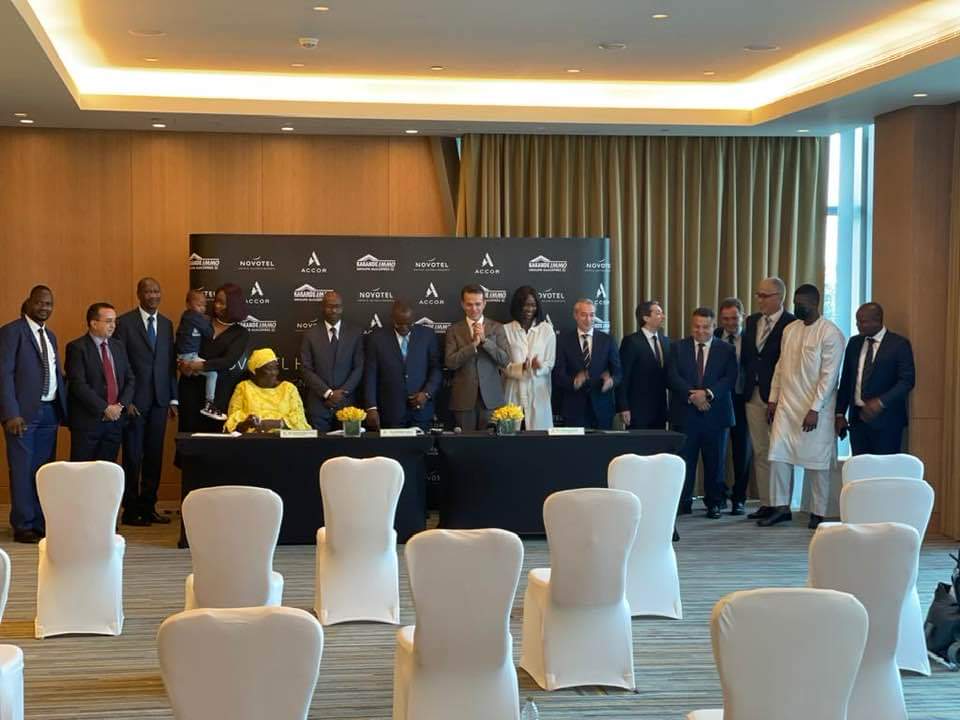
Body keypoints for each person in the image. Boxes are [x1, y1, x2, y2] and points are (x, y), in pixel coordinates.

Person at [765, 284, 845, 529]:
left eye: (802, 304)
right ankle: (780, 507)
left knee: (817, 463)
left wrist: (815, 409)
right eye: (795, 302)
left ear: (815, 303)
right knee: (778, 456)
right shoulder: (790, 329)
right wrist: (773, 398)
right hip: (787, 406)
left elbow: (829, 377)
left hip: (815, 410)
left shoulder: (830, 333)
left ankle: (818, 513)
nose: (797, 307)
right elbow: (780, 366)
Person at [0, 286, 68, 543]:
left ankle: (40, 522)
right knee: (22, 469)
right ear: (28, 303)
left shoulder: (50, 336)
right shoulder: (11, 332)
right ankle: (23, 525)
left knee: (43, 471)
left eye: (49, 304)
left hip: (50, 412)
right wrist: (10, 413)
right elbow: (4, 375)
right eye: (40, 302)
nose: (44, 308)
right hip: (22, 415)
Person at [115, 277, 177, 526]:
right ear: (139, 294)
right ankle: (130, 510)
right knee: (132, 456)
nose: (153, 295)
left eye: (156, 291)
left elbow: (169, 364)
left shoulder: (167, 324)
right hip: (134, 403)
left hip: (160, 401)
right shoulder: (125, 322)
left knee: (154, 455)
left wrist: (173, 398)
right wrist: (125, 400)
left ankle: (149, 506)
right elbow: (120, 364)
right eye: (148, 291)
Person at [667, 307, 738, 519]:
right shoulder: (677, 347)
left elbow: (729, 379)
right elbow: (671, 376)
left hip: (715, 415)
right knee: (684, 461)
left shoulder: (726, 349)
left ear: (714, 326)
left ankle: (714, 503)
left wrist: (707, 394)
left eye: (705, 327)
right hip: (685, 414)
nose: (700, 331)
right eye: (696, 326)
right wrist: (693, 395)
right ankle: (683, 502)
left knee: (715, 463)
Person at [739, 277, 796, 522]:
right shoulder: (752, 321)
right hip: (753, 392)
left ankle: (782, 505)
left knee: (780, 451)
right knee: (760, 450)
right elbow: (749, 357)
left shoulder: (792, 323)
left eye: (765, 296)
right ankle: (766, 502)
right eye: (758, 295)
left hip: (780, 396)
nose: (759, 300)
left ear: (779, 297)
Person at [835, 302, 916, 455]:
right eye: (857, 321)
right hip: (857, 421)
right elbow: (846, 381)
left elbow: (907, 381)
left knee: (885, 467)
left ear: (877, 320)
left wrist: (880, 402)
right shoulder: (854, 343)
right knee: (861, 466)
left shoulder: (899, 344)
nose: (858, 326)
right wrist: (839, 414)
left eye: (863, 322)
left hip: (887, 422)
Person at [65, 303, 135, 463]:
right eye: (108, 321)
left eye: (114, 321)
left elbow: (130, 379)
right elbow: (78, 385)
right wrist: (104, 408)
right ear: (94, 323)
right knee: (83, 472)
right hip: (88, 423)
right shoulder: (77, 348)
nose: (113, 326)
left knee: (107, 471)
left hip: (115, 422)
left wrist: (120, 406)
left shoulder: (118, 346)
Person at [177, 283, 250, 433]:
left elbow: (228, 361)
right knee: (187, 437)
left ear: (234, 305)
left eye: (222, 303)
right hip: (190, 389)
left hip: (218, 395)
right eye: (216, 301)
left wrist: (199, 366)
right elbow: (182, 341)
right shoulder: (200, 320)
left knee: (213, 439)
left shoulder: (240, 333)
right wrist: (181, 363)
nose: (216, 305)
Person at [364, 300, 442, 432]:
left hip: (421, 410)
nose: (404, 328)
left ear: (414, 319)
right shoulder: (376, 338)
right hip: (390, 411)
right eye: (399, 324)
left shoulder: (427, 335)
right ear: (392, 319)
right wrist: (371, 407)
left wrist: (426, 393)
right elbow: (370, 374)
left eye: (409, 323)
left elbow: (436, 368)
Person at [445, 284, 510, 431]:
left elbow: (505, 360)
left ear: (484, 303)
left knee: (490, 443)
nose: (474, 309)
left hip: (491, 400)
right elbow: (450, 363)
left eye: (478, 304)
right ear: (462, 304)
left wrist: (485, 342)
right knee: (465, 443)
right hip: (463, 400)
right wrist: (472, 346)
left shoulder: (497, 328)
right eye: (469, 304)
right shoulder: (453, 330)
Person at [300, 291, 364, 431]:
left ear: (342, 308)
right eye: (330, 306)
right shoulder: (310, 334)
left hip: (347, 405)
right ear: (323, 308)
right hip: (319, 404)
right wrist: (328, 393)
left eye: (337, 306)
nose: (334, 310)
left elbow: (359, 367)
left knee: (349, 443)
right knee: (319, 444)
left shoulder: (355, 333)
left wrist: (343, 392)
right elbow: (306, 369)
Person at [553, 298, 622, 429]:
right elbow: (558, 374)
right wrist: (574, 382)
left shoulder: (607, 340)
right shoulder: (563, 341)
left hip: (602, 408)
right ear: (575, 315)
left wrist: (611, 381)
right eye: (584, 315)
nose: (588, 319)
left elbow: (618, 373)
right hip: (574, 409)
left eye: (592, 315)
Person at [715, 297, 754, 515]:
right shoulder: (714, 335)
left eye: (734, 318)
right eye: (725, 319)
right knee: (717, 451)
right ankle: (718, 495)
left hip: (742, 400)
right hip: (718, 400)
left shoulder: (751, 338)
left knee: (742, 451)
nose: (730, 323)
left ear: (742, 317)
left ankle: (739, 498)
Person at [503, 286, 555, 430]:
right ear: (517, 306)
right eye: (525, 305)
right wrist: (523, 367)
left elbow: (550, 363)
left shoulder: (546, 330)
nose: (529, 309)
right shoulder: (506, 330)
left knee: (538, 437)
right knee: (511, 434)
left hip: (538, 392)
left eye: (533, 305)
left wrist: (539, 366)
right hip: (514, 391)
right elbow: (503, 366)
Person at [225, 348, 310, 433]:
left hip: (283, 439)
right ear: (255, 371)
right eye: (269, 368)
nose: (274, 372)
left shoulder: (288, 389)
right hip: (253, 439)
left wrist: (275, 424)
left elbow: (300, 421)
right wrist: (247, 423)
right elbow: (232, 425)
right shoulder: (244, 387)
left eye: (276, 368)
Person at [617, 300, 670, 430]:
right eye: (658, 313)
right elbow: (623, 376)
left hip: (660, 409)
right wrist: (623, 407)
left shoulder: (666, 341)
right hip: (637, 410)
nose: (663, 316)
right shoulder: (631, 341)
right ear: (646, 317)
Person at [176, 289, 220, 420]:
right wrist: (209, 321)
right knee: (212, 373)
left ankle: (208, 404)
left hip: (188, 355)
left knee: (207, 374)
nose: (202, 308)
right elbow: (209, 333)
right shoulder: (192, 316)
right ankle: (209, 404)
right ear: (188, 305)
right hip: (188, 356)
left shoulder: (190, 316)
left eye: (204, 305)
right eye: (198, 305)